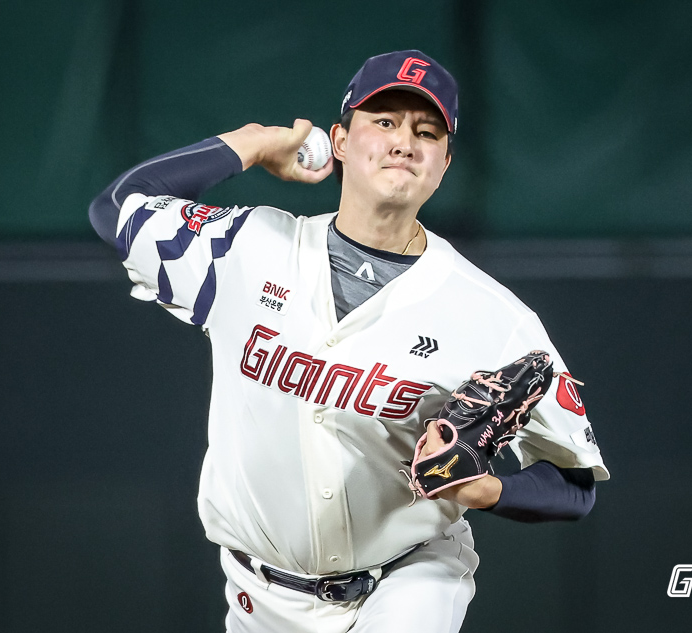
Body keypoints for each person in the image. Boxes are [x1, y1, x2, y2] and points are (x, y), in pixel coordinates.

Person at [89, 49, 609, 633]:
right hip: (259, 596)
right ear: (338, 141)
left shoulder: (495, 317)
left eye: (427, 132)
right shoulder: (247, 247)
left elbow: (574, 485)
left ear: (444, 163)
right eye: (384, 121)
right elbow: (119, 208)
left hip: (410, 580)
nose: (404, 142)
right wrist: (252, 144)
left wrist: (487, 489)